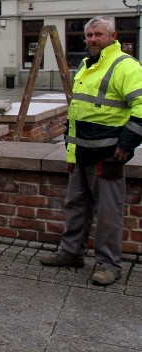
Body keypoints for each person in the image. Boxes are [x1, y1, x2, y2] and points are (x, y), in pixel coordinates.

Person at [40, 16, 142, 286]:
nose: (93, 39)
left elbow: (141, 106)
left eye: (98, 34)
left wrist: (126, 143)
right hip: (81, 150)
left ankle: (110, 264)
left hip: (108, 153)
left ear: (113, 36)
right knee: (75, 206)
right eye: (89, 35)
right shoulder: (87, 64)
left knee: (108, 213)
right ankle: (71, 252)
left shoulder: (126, 66)